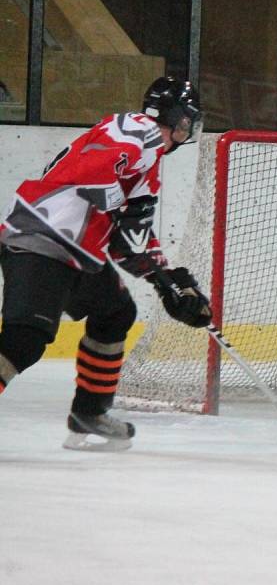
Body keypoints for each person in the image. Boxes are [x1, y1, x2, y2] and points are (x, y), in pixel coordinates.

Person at [0, 76, 212, 451]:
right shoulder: (138, 129)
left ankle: (90, 412)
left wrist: (170, 282)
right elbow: (92, 172)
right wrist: (118, 204)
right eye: (187, 122)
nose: (187, 130)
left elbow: (127, 242)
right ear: (178, 119)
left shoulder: (149, 159)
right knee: (24, 341)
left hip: (78, 253)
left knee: (116, 313)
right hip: (43, 239)